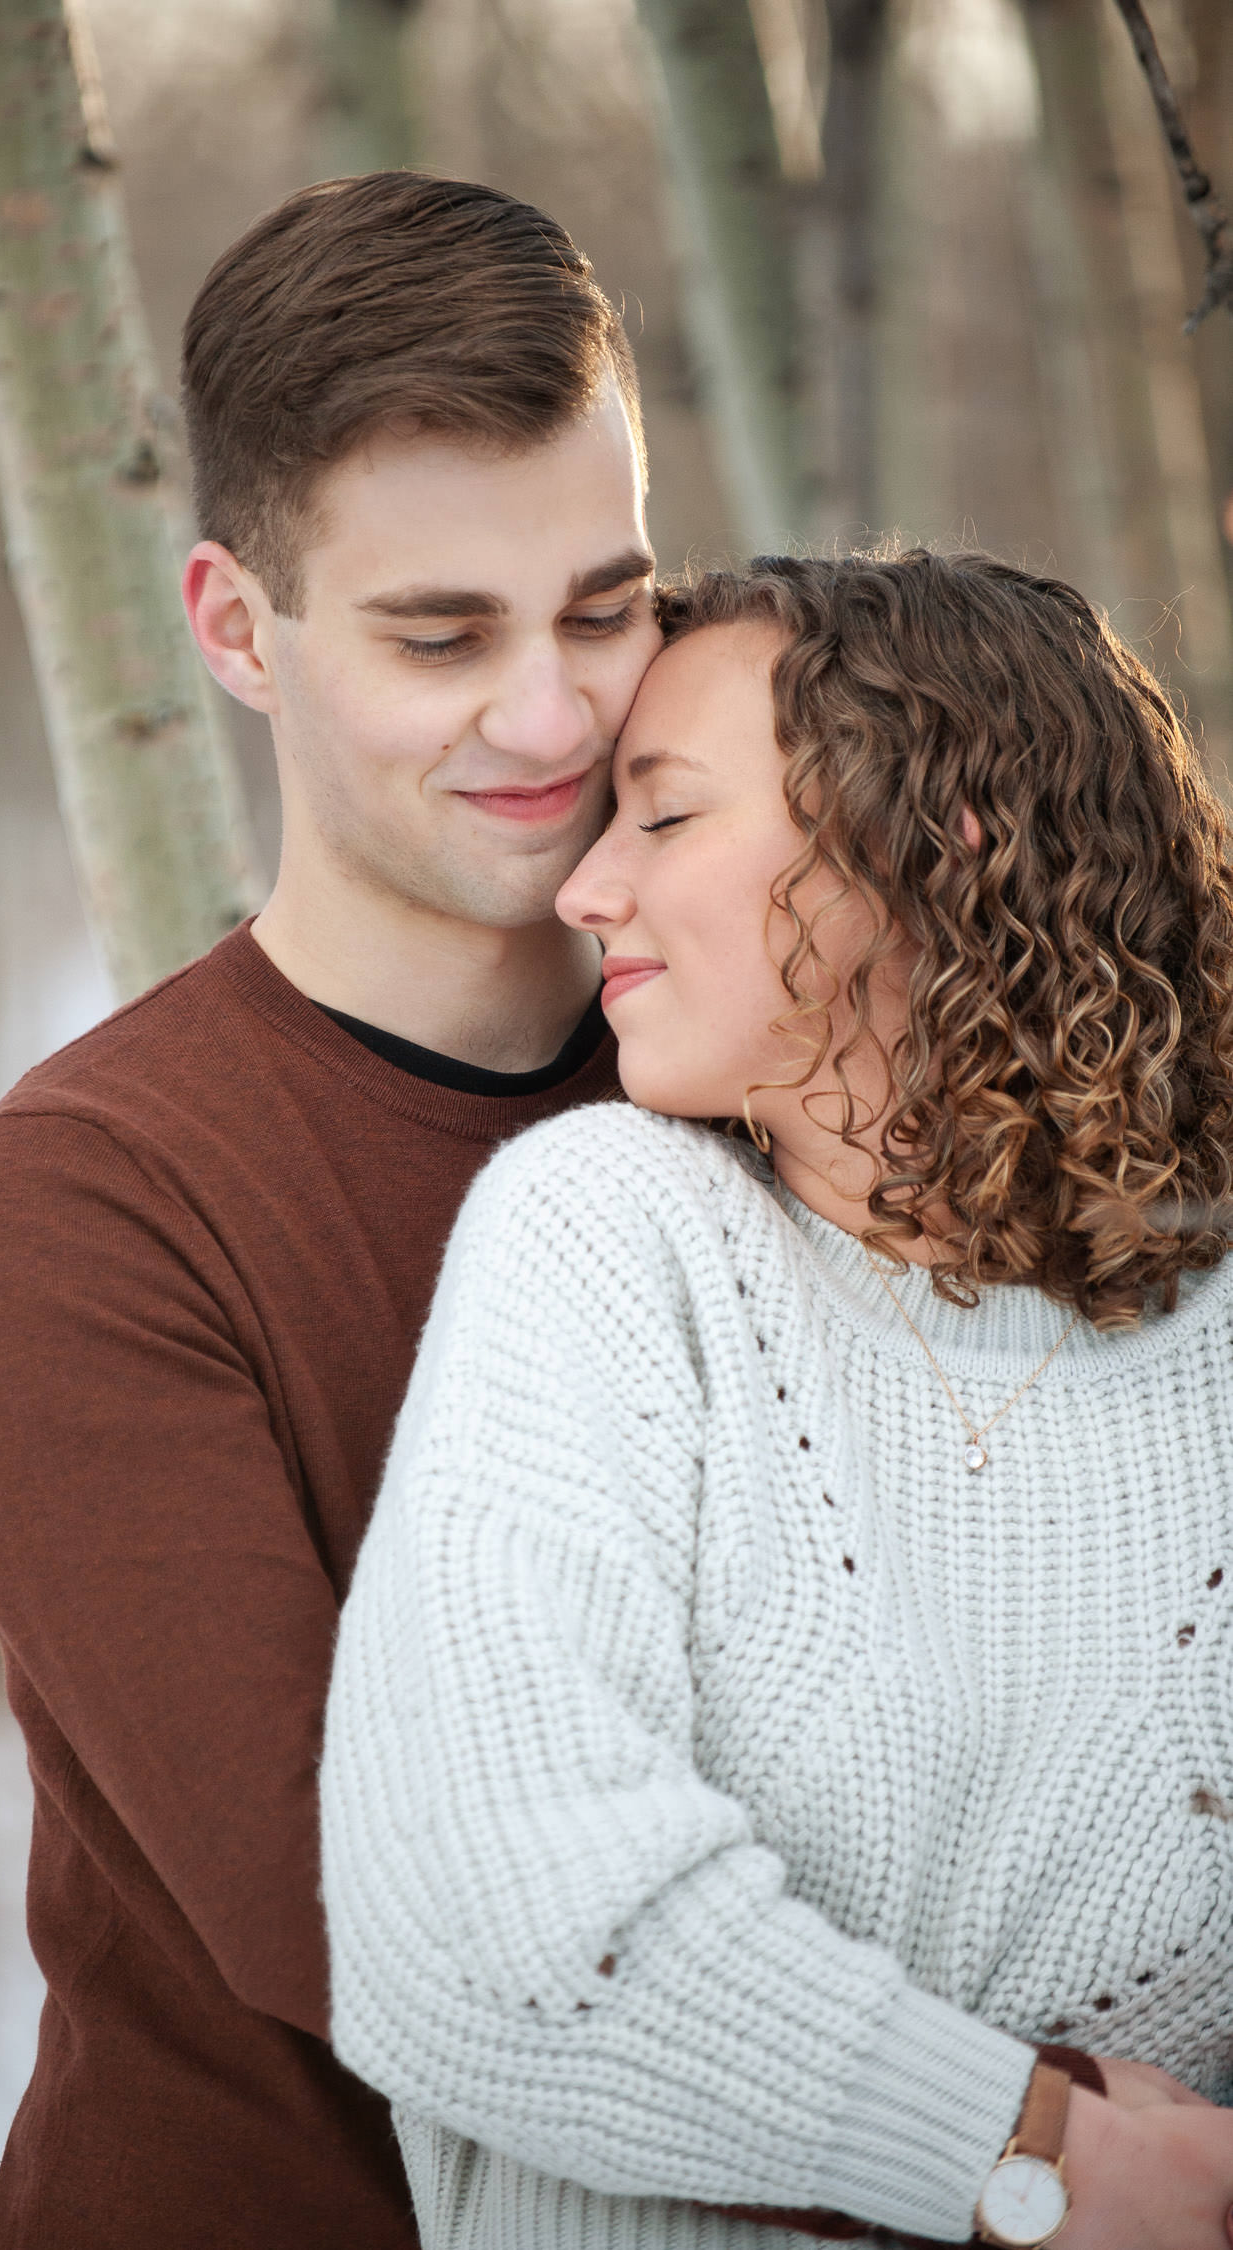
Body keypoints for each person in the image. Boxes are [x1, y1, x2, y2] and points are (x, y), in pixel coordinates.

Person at [0, 170, 662, 2250]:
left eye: (607, 609)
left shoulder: (791, 1106)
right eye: (442, 636)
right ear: (238, 628)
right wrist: (1010, 2136)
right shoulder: (86, 1206)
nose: (552, 717)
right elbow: (354, 1915)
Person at [321, 550, 1233, 2250]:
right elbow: (478, 1927)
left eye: (664, 820)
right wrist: (1031, 2151)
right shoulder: (611, 1240)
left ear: (936, 842)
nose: (585, 887)